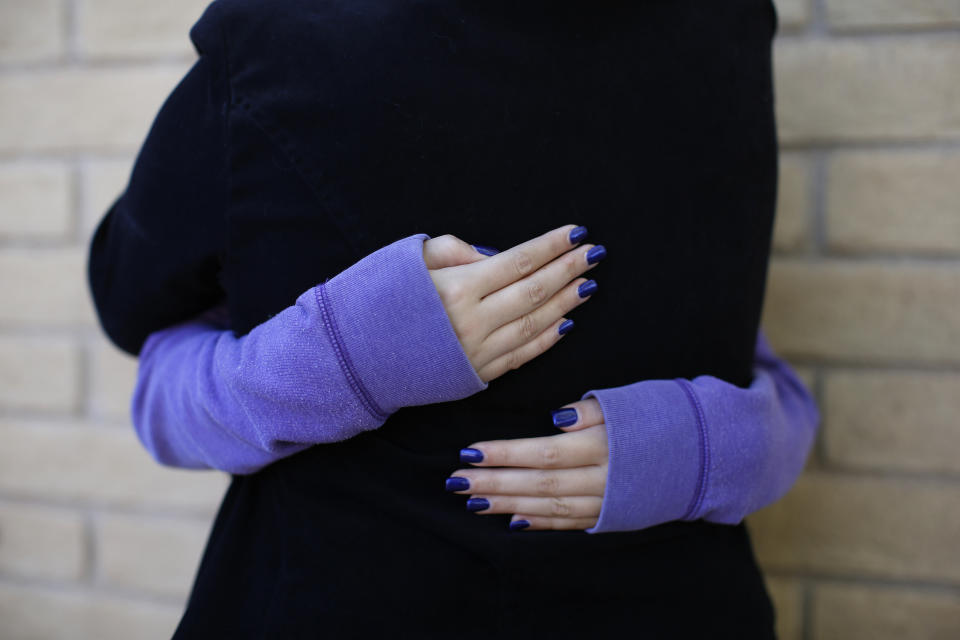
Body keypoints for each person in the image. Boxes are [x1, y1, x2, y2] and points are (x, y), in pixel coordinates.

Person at [87, 0, 817, 636]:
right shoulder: (737, 21)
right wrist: (730, 443)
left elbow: (135, 319)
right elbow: (725, 333)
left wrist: (719, 448)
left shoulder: (274, 35)